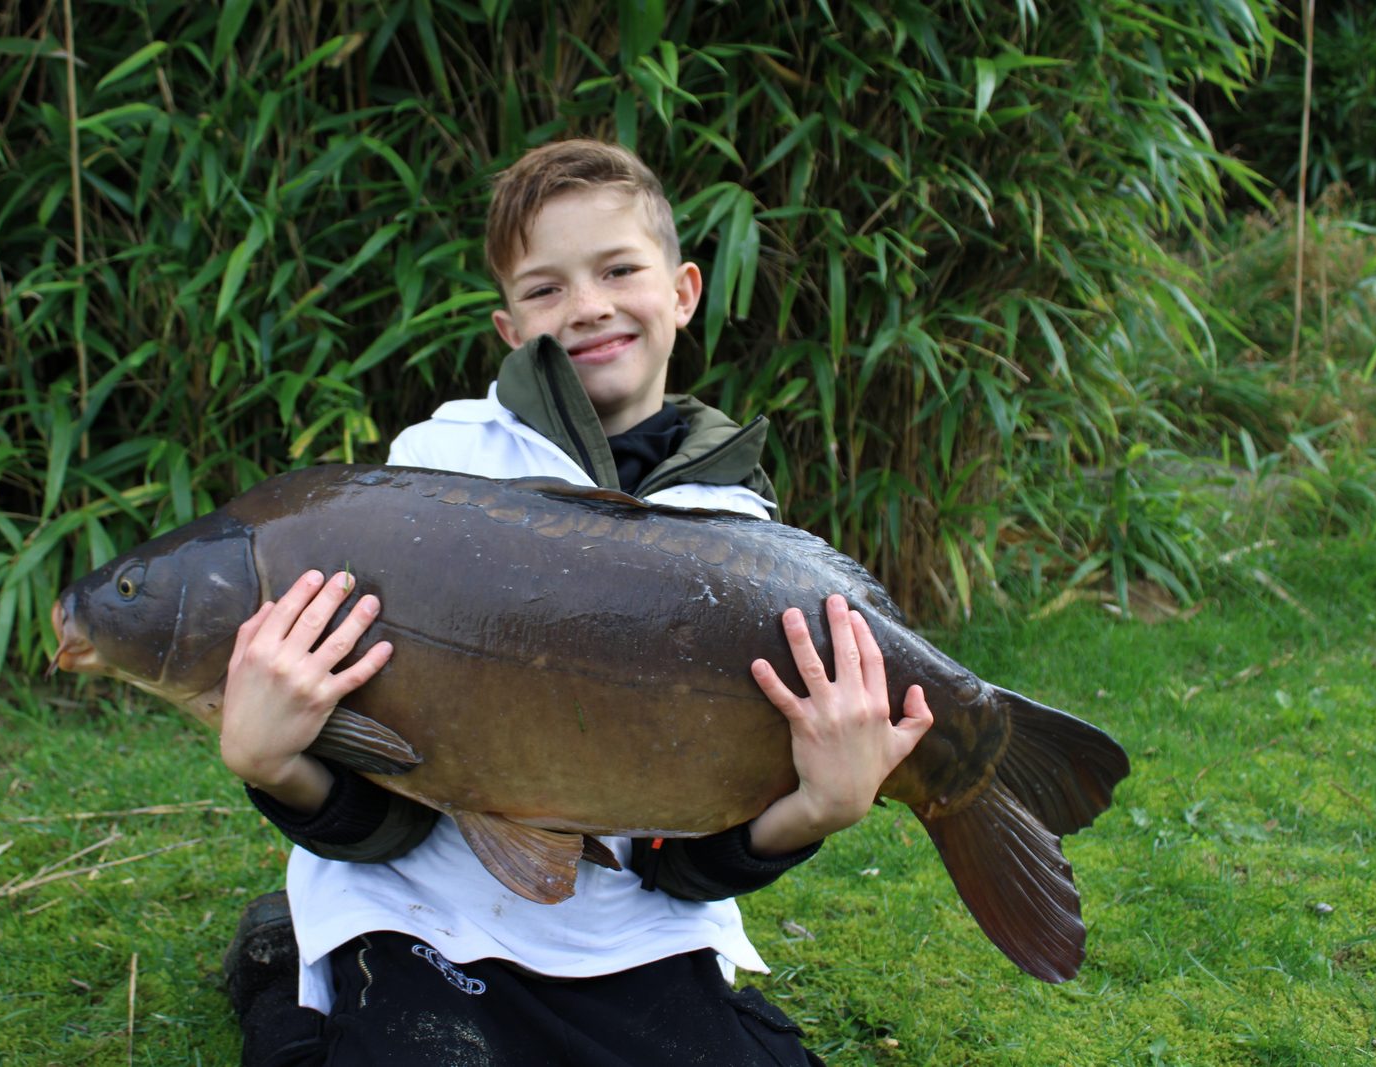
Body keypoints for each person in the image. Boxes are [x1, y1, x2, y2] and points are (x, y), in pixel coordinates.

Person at [217, 139, 934, 1066]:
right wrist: (272, 762)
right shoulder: (429, 481)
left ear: (682, 290)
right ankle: (288, 975)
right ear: (510, 328)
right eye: (545, 289)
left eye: (618, 270)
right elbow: (384, 812)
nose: (588, 306)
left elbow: (681, 868)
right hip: (418, 908)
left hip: (627, 930)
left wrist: (816, 808)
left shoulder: (740, 540)